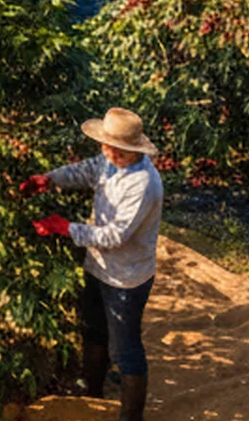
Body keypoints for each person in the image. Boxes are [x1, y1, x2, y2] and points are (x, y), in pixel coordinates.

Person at [19, 106, 164, 421]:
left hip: (126, 278)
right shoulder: (110, 160)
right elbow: (86, 170)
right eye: (106, 145)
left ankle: (131, 416)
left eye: (118, 150)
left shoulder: (143, 185)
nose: (109, 153)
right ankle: (92, 394)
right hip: (98, 266)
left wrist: (65, 228)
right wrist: (49, 179)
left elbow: (115, 236)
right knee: (94, 331)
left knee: (125, 350)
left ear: (133, 149)